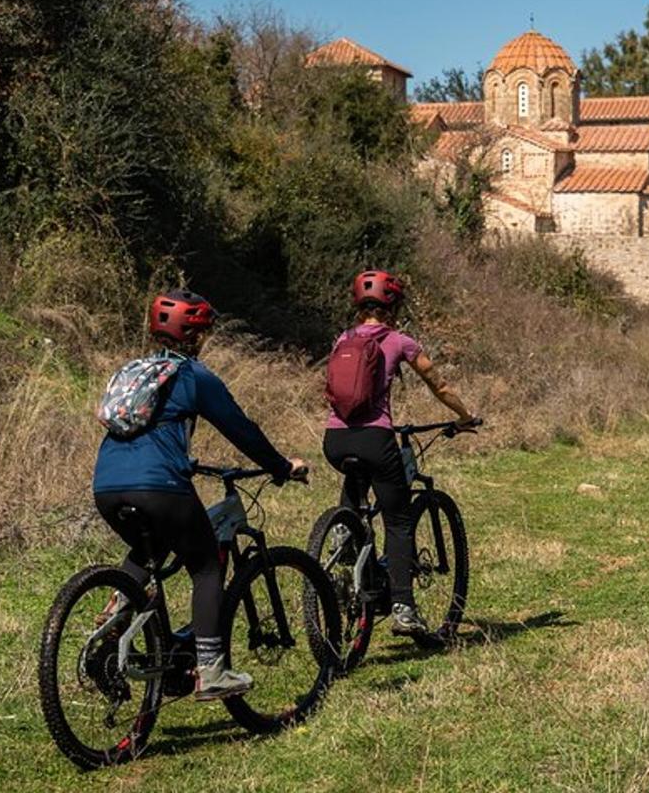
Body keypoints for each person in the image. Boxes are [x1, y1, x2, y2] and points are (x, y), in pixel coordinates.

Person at [92, 289, 308, 701]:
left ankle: (110, 632)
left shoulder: (132, 372)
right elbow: (240, 428)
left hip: (106, 485)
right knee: (207, 565)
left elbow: (145, 431)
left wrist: (184, 461)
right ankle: (211, 671)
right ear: (196, 334)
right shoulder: (192, 375)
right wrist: (281, 467)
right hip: (159, 486)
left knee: (147, 551)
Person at [322, 270, 476, 635]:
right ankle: (403, 608)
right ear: (393, 305)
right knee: (399, 520)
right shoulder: (399, 341)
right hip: (376, 440)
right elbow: (438, 385)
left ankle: (345, 534)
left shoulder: (342, 339)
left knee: (356, 482)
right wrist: (465, 416)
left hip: (334, 440)